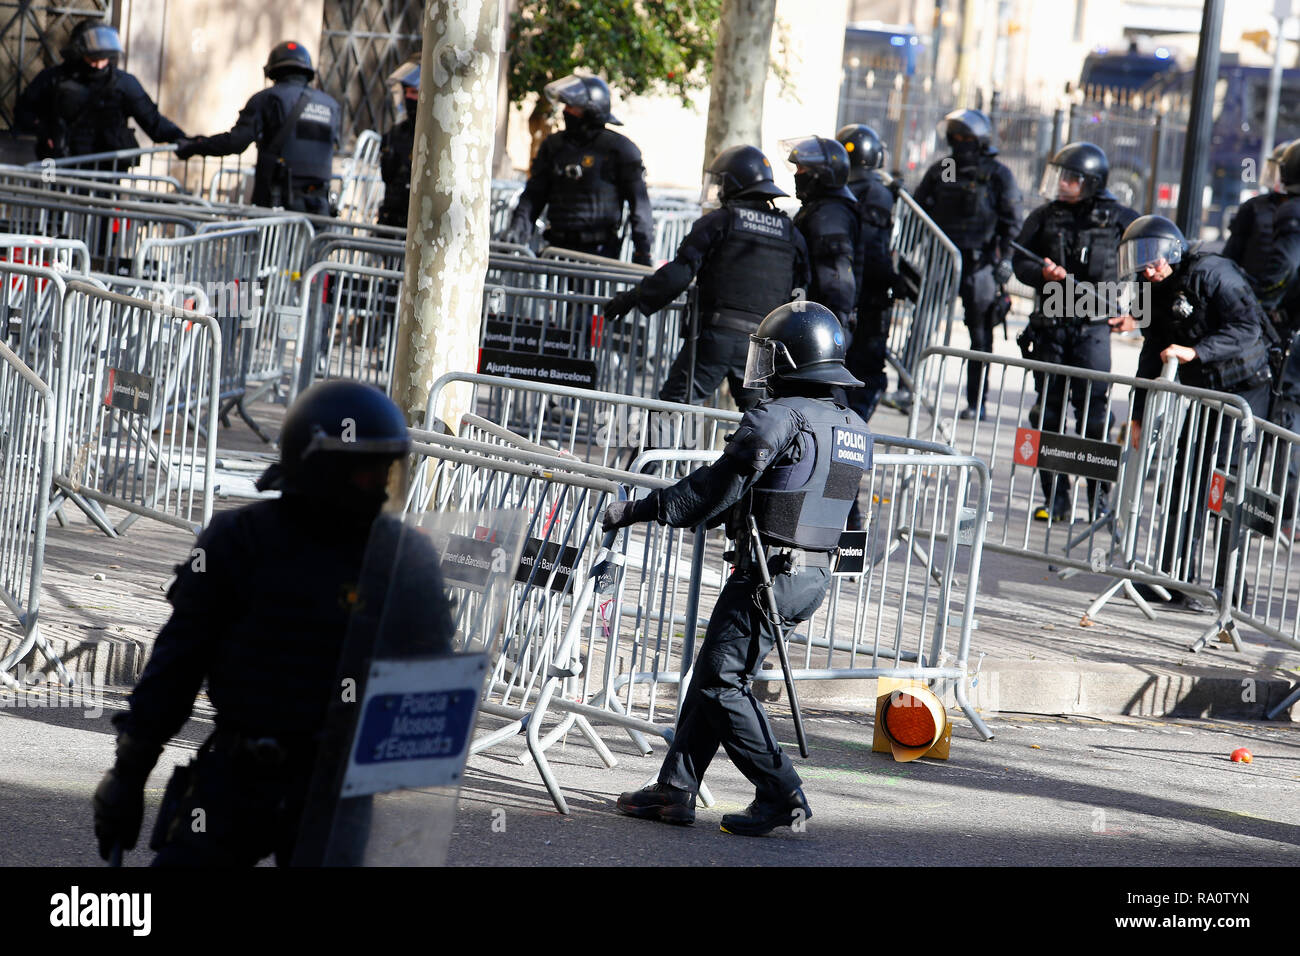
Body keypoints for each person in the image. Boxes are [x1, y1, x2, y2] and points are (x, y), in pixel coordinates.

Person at [91, 380, 454, 866]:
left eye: (386, 469)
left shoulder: (405, 558)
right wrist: (129, 773)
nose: (380, 484)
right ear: (321, 467)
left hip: (338, 788)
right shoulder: (240, 541)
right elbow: (176, 668)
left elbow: (433, 690)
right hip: (241, 773)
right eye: (367, 471)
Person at [605, 300, 871, 837]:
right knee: (714, 675)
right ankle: (674, 790)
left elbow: (716, 486)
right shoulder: (853, 426)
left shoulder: (779, 417)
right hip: (809, 576)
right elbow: (827, 506)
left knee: (722, 684)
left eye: (770, 355)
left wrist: (636, 509)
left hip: (768, 575)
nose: (762, 367)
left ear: (792, 359)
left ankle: (781, 792)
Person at [1113, 216, 1272, 612]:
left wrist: (1196, 352)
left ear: (1174, 251)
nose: (1148, 270)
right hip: (1206, 391)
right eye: (1141, 262)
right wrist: (1137, 413)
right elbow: (1151, 351)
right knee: (1188, 478)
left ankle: (1229, 586)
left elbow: (1247, 329)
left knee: (1228, 486)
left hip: (1245, 390)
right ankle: (1172, 579)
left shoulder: (1213, 274)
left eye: (1154, 261)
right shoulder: (1148, 288)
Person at [603, 145, 810, 411]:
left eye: (721, 183)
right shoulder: (791, 234)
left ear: (734, 183)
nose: (719, 190)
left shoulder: (719, 222)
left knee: (671, 413)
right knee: (763, 422)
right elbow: (800, 293)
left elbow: (678, 274)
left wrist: (632, 297)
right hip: (762, 346)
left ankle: (652, 454)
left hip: (715, 339)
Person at [1013, 142, 1140, 522]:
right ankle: (1056, 499)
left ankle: (1099, 501)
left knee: (1095, 418)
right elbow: (1019, 260)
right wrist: (1042, 274)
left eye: (1070, 178)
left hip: (1092, 330)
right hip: (1051, 330)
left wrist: (1137, 314)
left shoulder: (1119, 218)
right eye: (1060, 176)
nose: (1062, 184)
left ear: (1091, 182)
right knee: (1048, 415)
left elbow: (1154, 257)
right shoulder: (1044, 216)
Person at [913, 109, 1022, 419]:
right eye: (955, 137)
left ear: (978, 140)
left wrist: (1007, 261)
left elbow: (1013, 222)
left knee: (980, 336)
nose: (958, 143)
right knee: (922, 325)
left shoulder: (998, 174)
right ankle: (910, 388)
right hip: (943, 262)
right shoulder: (945, 169)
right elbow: (921, 211)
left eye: (965, 138)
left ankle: (977, 402)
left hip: (980, 265)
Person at [175, 41, 341, 215]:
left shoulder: (268, 99)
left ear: (272, 72)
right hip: (320, 209)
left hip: (277, 206)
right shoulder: (331, 106)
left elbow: (236, 142)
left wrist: (194, 146)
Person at [504, 74, 653, 264]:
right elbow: (533, 195)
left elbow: (639, 205)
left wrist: (643, 252)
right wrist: (517, 232)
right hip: (555, 251)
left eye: (571, 107)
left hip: (599, 256)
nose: (565, 111)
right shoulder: (554, 146)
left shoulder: (620, 150)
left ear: (591, 110)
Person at [14, 20, 185, 169]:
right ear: (78, 53)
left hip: (104, 170)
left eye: (104, 59)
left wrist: (184, 141)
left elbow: (152, 121)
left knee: (100, 205)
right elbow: (23, 111)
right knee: (48, 199)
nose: (99, 65)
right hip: (53, 162)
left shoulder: (123, 83)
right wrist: (44, 131)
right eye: (93, 59)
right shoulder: (53, 79)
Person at [837, 123, 900, 427]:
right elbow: (874, 251)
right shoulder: (876, 192)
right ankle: (852, 438)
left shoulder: (839, 189)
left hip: (844, 293)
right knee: (868, 375)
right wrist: (895, 280)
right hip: (868, 299)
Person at [786, 136, 860, 333]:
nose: (797, 174)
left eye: (802, 169)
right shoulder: (819, 209)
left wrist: (835, 325)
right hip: (812, 318)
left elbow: (836, 276)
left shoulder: (830, 214)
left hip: (820, 324)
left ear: (821, 174)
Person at [376, 62, 420, 228]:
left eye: (414, 92)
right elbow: (387, 175)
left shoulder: (432, 137)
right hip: (392, 220)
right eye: (407, 92)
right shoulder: (395, 133)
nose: (409, 97)